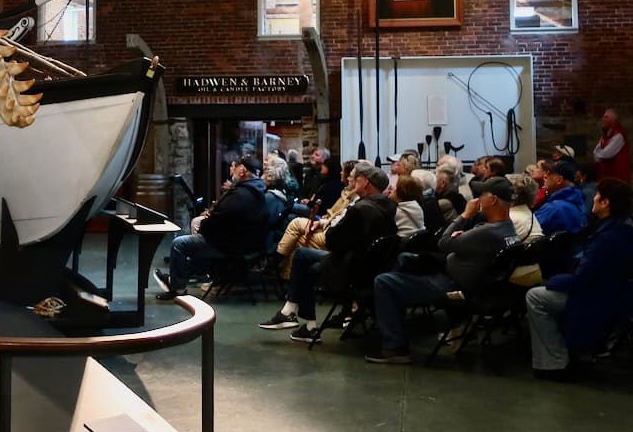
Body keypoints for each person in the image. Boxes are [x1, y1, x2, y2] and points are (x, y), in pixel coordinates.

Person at [364, 176, 523, 364]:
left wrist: (465, 216)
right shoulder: (507, 228)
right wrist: (465, 236)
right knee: (405, 260)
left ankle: (394, 346)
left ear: (493, 199)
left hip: (455, 287)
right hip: (473, 280)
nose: (477, 199)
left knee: (384, 281)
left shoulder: (487, 232)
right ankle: (395, 318)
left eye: (481, 195)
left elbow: (444, 242)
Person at [526, 179, 633, 378]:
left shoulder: (609, 237)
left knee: (535, 296)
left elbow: (583, 280)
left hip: (602, 298)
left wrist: (550, 281)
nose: (594, 199)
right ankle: (567, 352)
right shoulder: (631, 226)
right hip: (622, 292)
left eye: (598, 196)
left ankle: (553, 362)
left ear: (606, 203)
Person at [259, 163, 396, 336]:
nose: (353, 181)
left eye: (358, 178)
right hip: (372, 267)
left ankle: (299, 318)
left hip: (350, 268)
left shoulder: (360, 209)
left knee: (303, 257)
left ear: (366, 183)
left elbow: (332, 240)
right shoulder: (389, 206)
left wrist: (331, 227)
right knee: (302, 253)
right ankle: (294, 315)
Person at [156, 156, 269, 299]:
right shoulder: (257, 190)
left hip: (232, 245)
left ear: (242, 171)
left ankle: (178, 288)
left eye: (235, 166)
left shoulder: (240, 195)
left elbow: (215, 224)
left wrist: (205, 223)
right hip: (249, 243)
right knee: (196, 235)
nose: (232, 169)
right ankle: (190, 273)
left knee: (179, 243)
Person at [534, 160, 586, 235]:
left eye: (549, 174)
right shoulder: (580, 203)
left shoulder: (553, 208)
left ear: (559, 180)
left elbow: (529, 229)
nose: (545, 176)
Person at [592, 109, 633, 183]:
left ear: (613, 120)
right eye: (603, 117)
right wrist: (598, 155)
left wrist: (599, 155)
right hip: (606, 173)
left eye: (606, 117)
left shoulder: (618, 135)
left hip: (616, 174)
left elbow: (606, 154)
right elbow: (595, 152)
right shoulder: (606, 135)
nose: (603, 119)